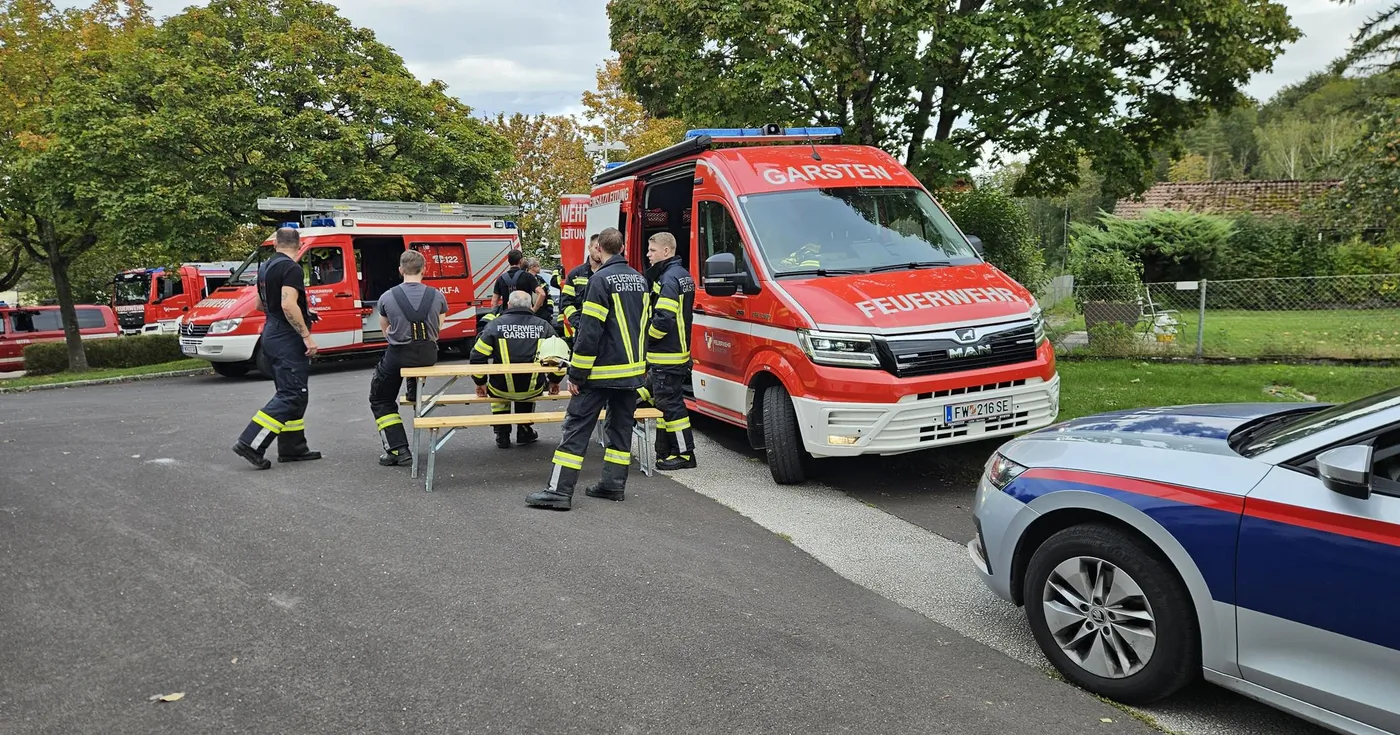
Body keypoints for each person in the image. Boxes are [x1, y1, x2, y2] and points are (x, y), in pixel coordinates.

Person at [526, 227, 647, 511]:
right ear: (622, 247)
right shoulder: (640, 280)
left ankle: (558, 491)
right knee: (620, 430)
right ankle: (613, 485)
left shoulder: (600, 280)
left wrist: (576, 374)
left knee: (576, 428)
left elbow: (590, 332)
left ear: (600, 249)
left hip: (601, 372)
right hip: (632, 373)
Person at [232, 227, 322, 469]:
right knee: (291, 394)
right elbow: (287, 304)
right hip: (286, 338)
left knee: (293, 392)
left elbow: (261, 304)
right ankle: (250, 443)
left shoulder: (266, 267)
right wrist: (306, 335)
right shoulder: (291, 268)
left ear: (275, 244)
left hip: (270, 331)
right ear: (299, 244)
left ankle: (293, 448)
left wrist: (303, 313)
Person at [368, 250, 448, 466]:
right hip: (428, 355)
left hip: (398, 355)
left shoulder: (387, 296)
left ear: (401, 270)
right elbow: (438, 328)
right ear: (424, 270)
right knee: (417, 358)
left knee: (380, 399)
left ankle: (398, 449)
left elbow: (385, 329)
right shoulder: (437, 296)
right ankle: (413, 389)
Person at [469, 290, 563, 448]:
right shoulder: (544, 326)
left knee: (498, 388)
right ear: (531, 306)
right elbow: (557, 356)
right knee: (528, 388)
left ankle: (502, 434)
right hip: (532, 389)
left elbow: (477, 356)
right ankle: (524, 430)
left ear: (508, 305)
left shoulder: (495, 326)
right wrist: (554, 381)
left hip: (500, 389)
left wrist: (480, 382)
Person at [642, 232, 698, 470]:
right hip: (678, 352)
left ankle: (684, 455)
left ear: (666, 251)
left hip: (666, 353)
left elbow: (663, 319)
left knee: (672, 405)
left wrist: (648, 341)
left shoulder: (668, 279)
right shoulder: (682, 275)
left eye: (652, 250)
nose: (648, 254)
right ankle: (665, 450)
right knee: (665, 403)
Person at [559, 234, 602, 345]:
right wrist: (578, 323)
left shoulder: (608, 273)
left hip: (604, 332)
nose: (599, 252)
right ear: (589, 248)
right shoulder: (576, 274)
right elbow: (566, 302)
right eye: (597, 248)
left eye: (602, 249)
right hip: (580, 333)